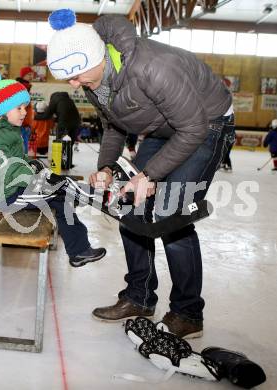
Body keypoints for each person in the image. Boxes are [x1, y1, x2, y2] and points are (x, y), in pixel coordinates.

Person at [46, 9, 235, 338]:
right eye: (68, 78)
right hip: (164, 126)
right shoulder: (97, 78)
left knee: (170, 213)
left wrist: (149, 175)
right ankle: (139, 296)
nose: (73, 84)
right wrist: (105, 166)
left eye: (75, 75)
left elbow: (193, 128)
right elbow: (114, 125)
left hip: (207, 122)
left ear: (96, 56)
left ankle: (188, 312)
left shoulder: (152, 67)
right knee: (129, 204)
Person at [0, 73, 106, 267]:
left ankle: (78, 227)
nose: (24, 112)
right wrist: (34, 177)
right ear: (1, 111)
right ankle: (79, 247)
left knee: (62, 192)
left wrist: (33, 165)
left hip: (15, 188)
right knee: (60, 197)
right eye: (18, 108)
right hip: (5, 195)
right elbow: (6, 172)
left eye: (25, 107)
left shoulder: (8, 131)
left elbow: (17, 161)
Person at [34, 91, 80, 164]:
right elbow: (65, 113)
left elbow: (46, 115)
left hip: (64, 125)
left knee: (61, 144)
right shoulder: (69, 100)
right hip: (76, 124)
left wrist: (33, 117)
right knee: (69, 145)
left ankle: (60, 163)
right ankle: (67, 163)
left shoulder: (55, 100)